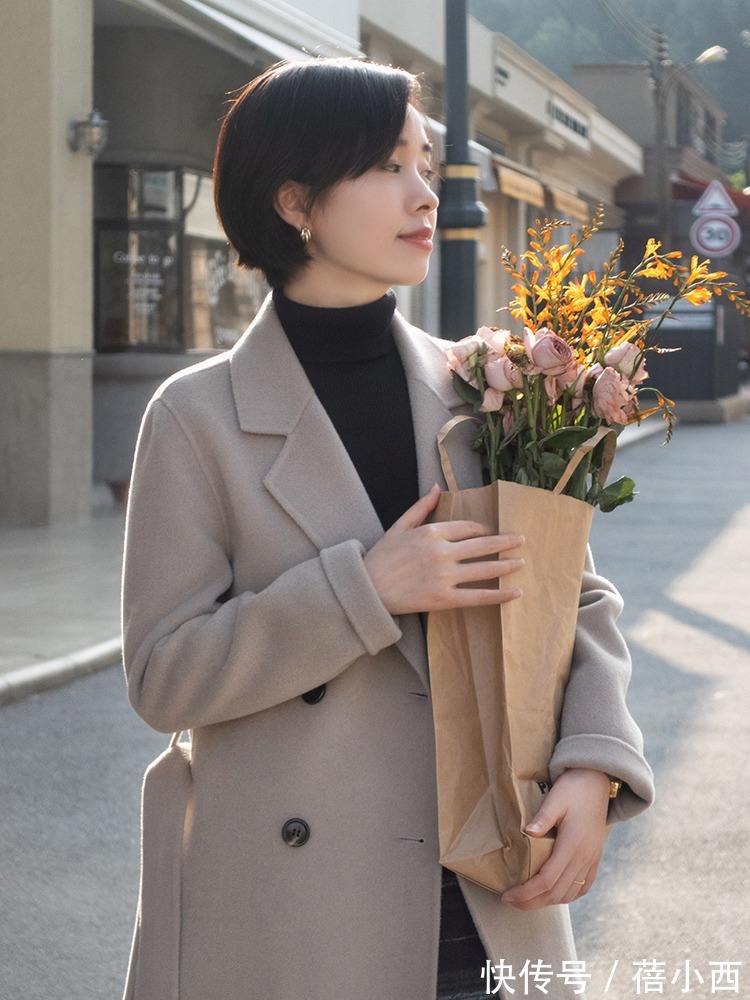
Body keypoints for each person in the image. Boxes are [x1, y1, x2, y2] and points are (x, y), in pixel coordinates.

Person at [121, 56, 654, 1000]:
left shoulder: (483, 384)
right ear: (294, 201)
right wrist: (364, 589)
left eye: (424, 163)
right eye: (388, 166)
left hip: (491, 882)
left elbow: (575, 591)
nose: (425, 195)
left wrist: (592, 766)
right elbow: (165, 675)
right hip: (301, 917)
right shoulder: (195, 417)